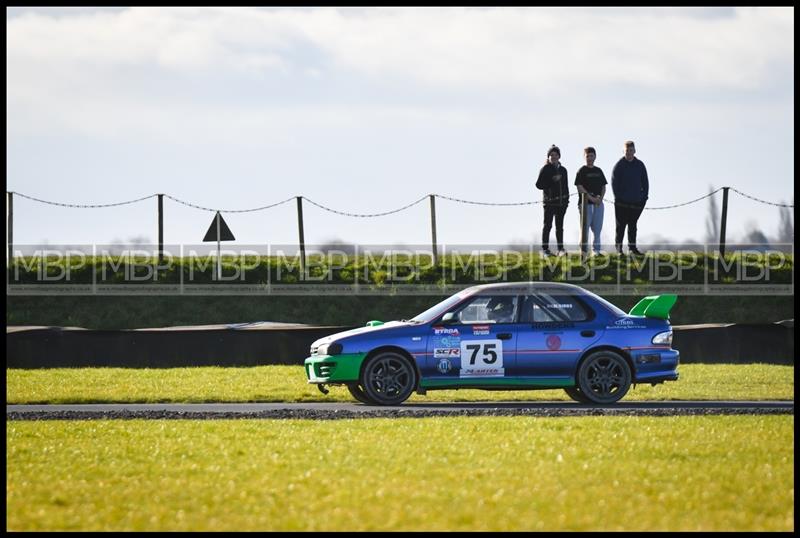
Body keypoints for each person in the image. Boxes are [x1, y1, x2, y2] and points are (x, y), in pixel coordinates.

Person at [611, 140, 648, 255]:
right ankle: (619, 249)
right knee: (620, 225)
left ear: (634, 151)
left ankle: (632, 249)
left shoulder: (640, 165)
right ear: (624, 151)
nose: (629, 153)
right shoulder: (619, 165)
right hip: (621, 202)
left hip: (636, 202)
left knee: (633, 225)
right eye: (627, 151)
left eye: (631, 150)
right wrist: (619, 198)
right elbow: (614, 184)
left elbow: (645, 183)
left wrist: (643, 198)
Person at [535, 144, 570, 256]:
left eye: (555, 154)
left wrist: (567, 200)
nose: (553, 157)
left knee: (559, 227)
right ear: (548, 157)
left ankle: (560, 249)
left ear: (559, 156)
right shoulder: (545, 169)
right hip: (549, 203)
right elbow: (538, 184)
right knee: (547, 225)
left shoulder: (563, 170)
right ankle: (545, 249)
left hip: (561, 203)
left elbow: (566, 186)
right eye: (551, 155)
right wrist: (551, 181)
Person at [574, 147, 607, 257]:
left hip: (598, 205)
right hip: (585, 204)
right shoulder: (581, 171)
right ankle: (583, 251)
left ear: (595, 156)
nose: (589, 158)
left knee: (597, 229)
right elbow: (579, 187)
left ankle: (596, 250)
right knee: (584, 229)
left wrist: (600, 199)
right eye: (587, 156)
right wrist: (591, 199)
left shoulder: (599, 171)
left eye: (591, 156)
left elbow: (603, 186)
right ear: (584, 157)